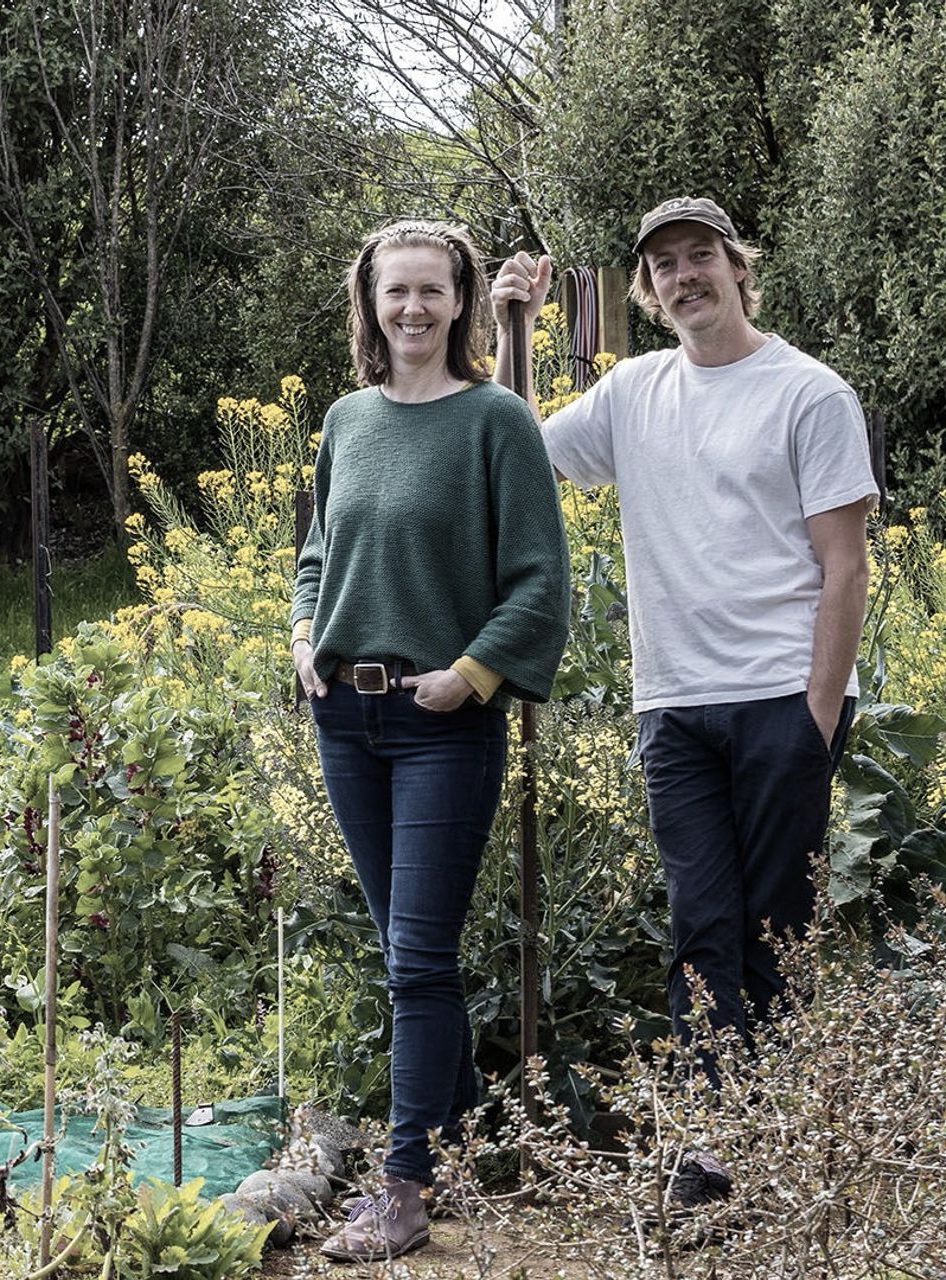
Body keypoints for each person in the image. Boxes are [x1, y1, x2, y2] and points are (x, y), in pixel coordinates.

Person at [493, 199, 876, 1197]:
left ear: (737, 267)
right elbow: (514, 449)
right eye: (662, 265)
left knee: (775, 929)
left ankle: (781, 1138)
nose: (683, 275)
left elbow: (846, 566)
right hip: (674, 710)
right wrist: (515, 330)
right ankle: (713, 1147)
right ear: (648, 292)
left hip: (780, 702)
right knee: (702, 925)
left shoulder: (809, 392)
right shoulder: (632, 395)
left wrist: (818, 716)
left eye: (699, 255)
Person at [293, 220, 570, 1262]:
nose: (411, 308)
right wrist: (300, 635)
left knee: (417, 957)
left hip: (442, 722)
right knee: (412, 955)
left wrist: (472, 674)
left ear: (460, 304)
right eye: (392, 291)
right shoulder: (345, 419)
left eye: (430, 291)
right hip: (346, 719)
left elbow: (544, 585)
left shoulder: (496, 421)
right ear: (370, 304)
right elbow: (316, 552)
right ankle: (454, 1148)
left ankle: (403, 1188)